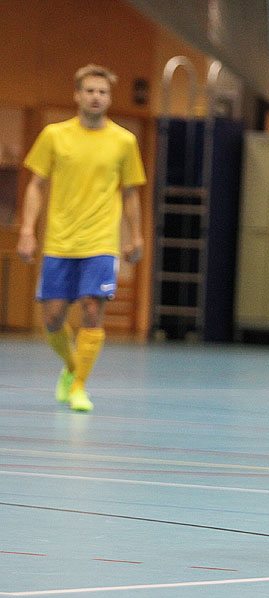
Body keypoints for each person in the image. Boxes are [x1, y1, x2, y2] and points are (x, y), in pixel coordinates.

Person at [17, 64, 146, 413]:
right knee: (53, 319)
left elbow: (131, 193)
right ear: (77, 94)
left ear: (109, 98)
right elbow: (36, 186)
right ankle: (72, 367)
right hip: (60, 242)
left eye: (102, 92)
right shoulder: (54, 136)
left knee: (92, 309)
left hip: (101, 242)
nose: (95, 97)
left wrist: (136, 236)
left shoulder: (124, 141)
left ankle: (79, 386)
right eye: (89, 90)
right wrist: (28, 230)